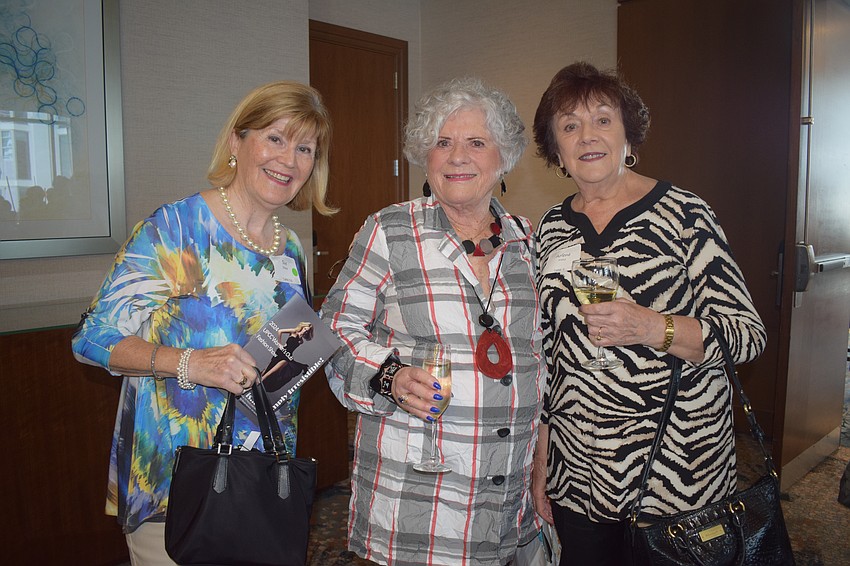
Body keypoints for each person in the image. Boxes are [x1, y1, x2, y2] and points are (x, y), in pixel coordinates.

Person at [71, 81, 335, 564]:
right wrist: (189, 362)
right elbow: (91, 339)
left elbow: (287, 353)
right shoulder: (178, 229)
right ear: (237, 142)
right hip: (176, 489)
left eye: (305, 149)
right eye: (275, 138)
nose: (289, 160)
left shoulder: (289, 247)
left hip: (261, 480)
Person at [530, 61, 767, 565]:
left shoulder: (684, 212)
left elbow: (746, 336)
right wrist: (542, 460)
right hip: (579, 474)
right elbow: (548, 355)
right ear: (556, 149)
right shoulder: (549, 229)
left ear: (627, 134)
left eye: (602, 119)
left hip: (676, 473)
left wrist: (651, 326)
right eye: (569, 125)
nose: (587, 135)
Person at [321, 77, 547, 565]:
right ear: (426, 156)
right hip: (417, 493)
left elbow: (542, 357)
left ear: (503, 157)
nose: (457, 156)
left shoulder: (528, 241)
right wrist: (391, 376)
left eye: (476, 143)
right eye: (442, 142)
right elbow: (332, 329)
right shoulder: (391, 230)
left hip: (508, 491)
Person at [261, 322, 314, 392]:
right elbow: (280, 331)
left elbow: (292, 349)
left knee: (277, 369)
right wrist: (279, 344)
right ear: (302, 327)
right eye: (305, 329)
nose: (305, 331)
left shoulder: (301, 341)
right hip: (282, 352)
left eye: (307, 331)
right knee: (270, 366)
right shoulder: (294, 331)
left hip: (288, 355)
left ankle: (263, 381)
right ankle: (260, 379)